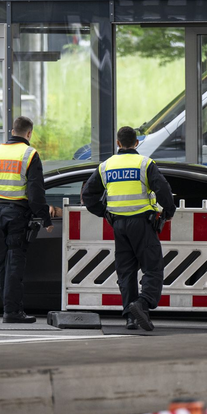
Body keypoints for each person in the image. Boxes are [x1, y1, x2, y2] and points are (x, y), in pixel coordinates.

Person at [81, 126, 176, 331]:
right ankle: (141, 304)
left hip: (119, 225)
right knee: (152, 267)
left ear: (118, 143)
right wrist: (169, 211)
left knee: (126, 272)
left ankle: (131, 318)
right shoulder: (144, 164)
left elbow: (88, 196)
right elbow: (163, 190)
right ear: (136, 143)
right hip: (142, 223)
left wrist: (104, 213)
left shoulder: (106, 166)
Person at [0, 116, 53, 323]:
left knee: (2, 262)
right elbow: (36, 193)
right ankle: (12, 312)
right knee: (15, 262)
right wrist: (46, 219)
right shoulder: (29, 154)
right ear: (29, 133)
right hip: (17, 214)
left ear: (12, 131)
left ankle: (9, 307)